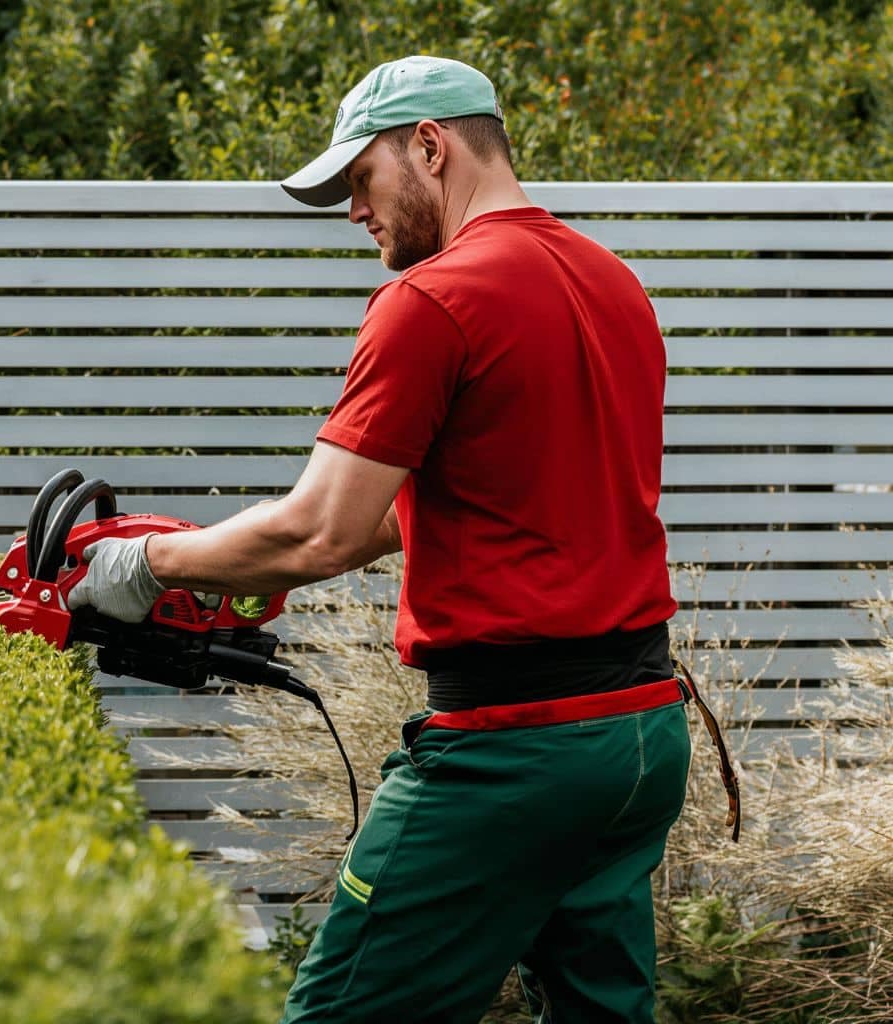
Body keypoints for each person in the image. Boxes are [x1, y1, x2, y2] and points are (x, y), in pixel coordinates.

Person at [67, 55, 732, 1023]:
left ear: (429, 145)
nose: (352, 210)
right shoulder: (611, 283)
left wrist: (142, 564)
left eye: (360, 180)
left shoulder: (431, 300)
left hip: (513, 755)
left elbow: (319, 531)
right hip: (636, 736)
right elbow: (415, 511)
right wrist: (229, 561)